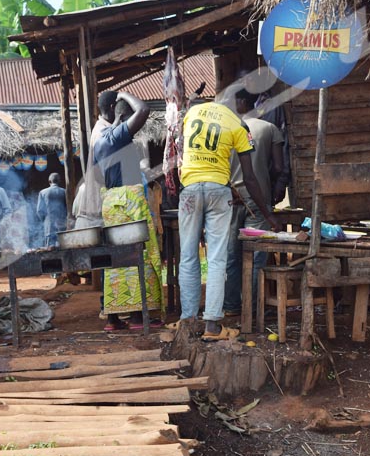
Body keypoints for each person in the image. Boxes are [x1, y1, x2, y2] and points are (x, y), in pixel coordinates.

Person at [176, 86, 280, 341]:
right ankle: (212, 326)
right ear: (238, 105)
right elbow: (250, 179)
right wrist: (267, 215)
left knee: (188, 255)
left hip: (189, 189)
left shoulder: (193, 113)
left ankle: (187, 321)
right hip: (218, 191)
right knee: (216, 259)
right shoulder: (237, 125)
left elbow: (182, 148)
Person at [92, 91, 164, 331]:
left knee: (116, 260)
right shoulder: (116, 135)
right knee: (141, 255)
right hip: (129, 200)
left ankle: (113, 318)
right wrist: (124, 95)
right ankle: (137, 316)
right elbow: (144, 109)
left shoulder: (99, 139)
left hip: (111, 202)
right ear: (118, 111)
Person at [223, 89, 284, 316]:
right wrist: (267, 178)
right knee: (258, 255)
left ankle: (231, 306)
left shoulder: (226, 130)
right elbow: (279, 167)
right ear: (255, 104)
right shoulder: (270, 129)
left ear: (237, 104)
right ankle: (255, 307)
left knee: (232, 254)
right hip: (259, 199)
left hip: (231, 198)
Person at [35, 173, 67, 248]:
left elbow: (39, 210)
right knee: (63, 246)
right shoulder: (64, 191)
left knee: (50, 247)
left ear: (49, 181)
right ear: (59, 181)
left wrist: (45, 220)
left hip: (49, 223)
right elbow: (68, 207)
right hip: (62, 222)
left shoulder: (43, 192)